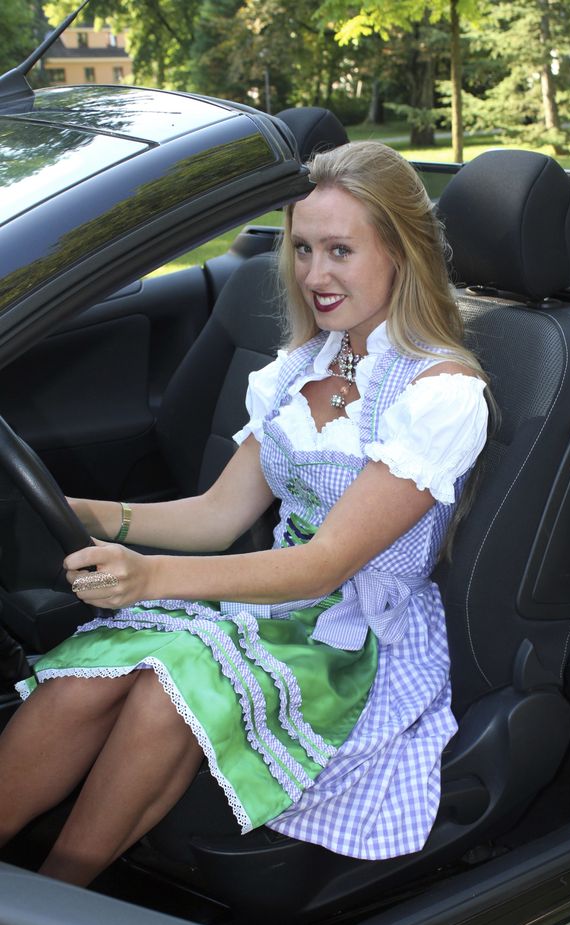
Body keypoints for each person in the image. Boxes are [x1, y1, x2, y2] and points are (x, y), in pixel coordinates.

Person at [0, 140, 489, 886]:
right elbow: (217, 516)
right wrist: (80, 512)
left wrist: (150, 578)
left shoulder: (439, 395)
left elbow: (324, 565)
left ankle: (57, 900)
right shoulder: (300, 369)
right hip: (265, 596)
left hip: (349, 630)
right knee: (85, 679)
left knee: (170, 690)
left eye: (340, 251)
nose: (314, 275)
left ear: (399, 253)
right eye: (302, 248)